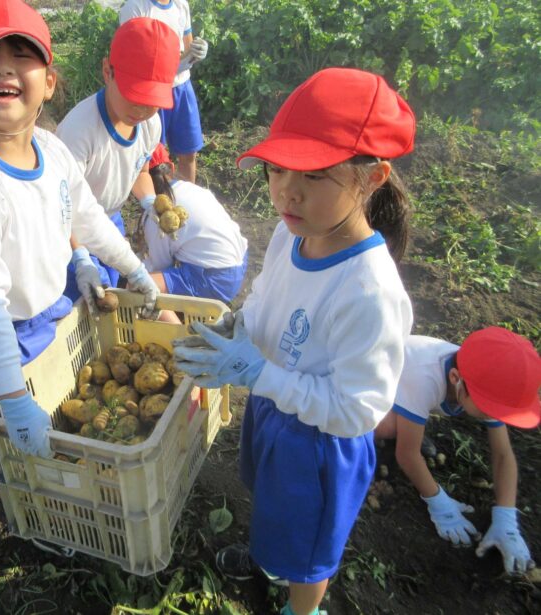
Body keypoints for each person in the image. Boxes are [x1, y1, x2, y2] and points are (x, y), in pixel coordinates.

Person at [172, 67, 416, 615]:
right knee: (271, 500)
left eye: (314, 173)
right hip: (276, 409)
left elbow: (355, 411)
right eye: (278, 168)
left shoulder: (368, 291)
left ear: (371, 178)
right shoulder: (293, 231)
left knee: (308, 551)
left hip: (320, 445)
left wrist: (261, 374)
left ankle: (301, 605)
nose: (287, 189)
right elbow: (267, 295)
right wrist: (243, 326)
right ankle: (268, 557)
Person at [0, 0, 160, 458]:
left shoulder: (51, 150)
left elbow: (88, 217)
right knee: (28, 439)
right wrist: (14, 401)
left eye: (21, 56)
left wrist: (131, 269)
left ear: (49, 83)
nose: (3, 70)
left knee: (62, 416)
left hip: (47, 310)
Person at [375, 327, 540, 574]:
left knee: (408, 424)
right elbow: (407, 455)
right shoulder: (425, 378)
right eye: (489, 409)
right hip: (375, 380)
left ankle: (410, 421)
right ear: (455, 378)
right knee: (388, 427)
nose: (494, 418)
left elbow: (503, 454)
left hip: (412, 392)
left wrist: (506, 518)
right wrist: (438, 501)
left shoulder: (478, 378)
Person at [56, 17, 179, 314]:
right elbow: (62, 208)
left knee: (106, 298)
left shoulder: (149, 124)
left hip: (109, 222)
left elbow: (138, 168)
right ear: (107, 71)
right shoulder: (78, 132)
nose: (141, 109)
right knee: (77, 305)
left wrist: (149, 201)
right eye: (134, 96)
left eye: (151, 100)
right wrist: (81, 257)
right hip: (67, 228)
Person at [138, 143, 248, 306]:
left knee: (139, 285)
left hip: (215, 280)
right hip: (240, 264)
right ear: (171, 168)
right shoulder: (194, 189)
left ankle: (175, 327)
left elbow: (157, 266)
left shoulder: (157, 214)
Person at [119, 0, 206, 183]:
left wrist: (195, 53)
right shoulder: (135, 8)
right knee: (156, 160)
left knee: (188, 152)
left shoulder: (181, 5)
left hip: (182, 88)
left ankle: (185, 203)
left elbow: (187, 46)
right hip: (152, 92)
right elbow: (135, 59)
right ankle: (160, 206)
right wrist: (169, 66)